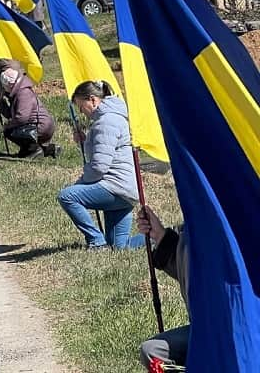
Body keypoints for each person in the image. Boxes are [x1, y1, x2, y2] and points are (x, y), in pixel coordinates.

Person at [57, 80, 139, 249]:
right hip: (126, 190)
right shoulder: (112, 118)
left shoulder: (106, 122)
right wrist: (85, 140)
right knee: (120, 247)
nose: (81, 111)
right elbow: (103, 154)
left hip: (114, 187)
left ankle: (96, 241)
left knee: (67, 196)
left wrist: (80, 182)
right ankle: (165, 236)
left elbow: (99, 166)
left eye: (81, 106)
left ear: (93, 100)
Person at [137, 205, 189, 370]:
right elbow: (190, 276)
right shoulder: (193, 232)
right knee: (152, 351)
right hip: (204, 330)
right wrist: (160, 236)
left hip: (239, 332)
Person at [0, 66, 59, 158]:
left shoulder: (23, 93)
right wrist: (0, 103)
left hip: (41, 126)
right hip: (35, 125)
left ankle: (34, 149)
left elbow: (22, 118)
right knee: (11, 132)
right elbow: (12, 115)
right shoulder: (18, 92)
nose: (4, 88)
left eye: (4, 86)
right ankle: (48, 149)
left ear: (9, 84)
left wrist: (7, 125)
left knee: (9, 130)